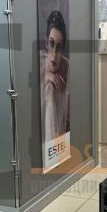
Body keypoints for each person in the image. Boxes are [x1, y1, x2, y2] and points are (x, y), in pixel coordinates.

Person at [40, 9, 70, 141]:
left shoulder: (69, 68)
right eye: (51, 44)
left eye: (59, 48)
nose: (54, 54)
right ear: (46, 43)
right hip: (40, 140)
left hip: (63, 141)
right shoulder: (37, 65)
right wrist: (47, 77)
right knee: (49, 88)